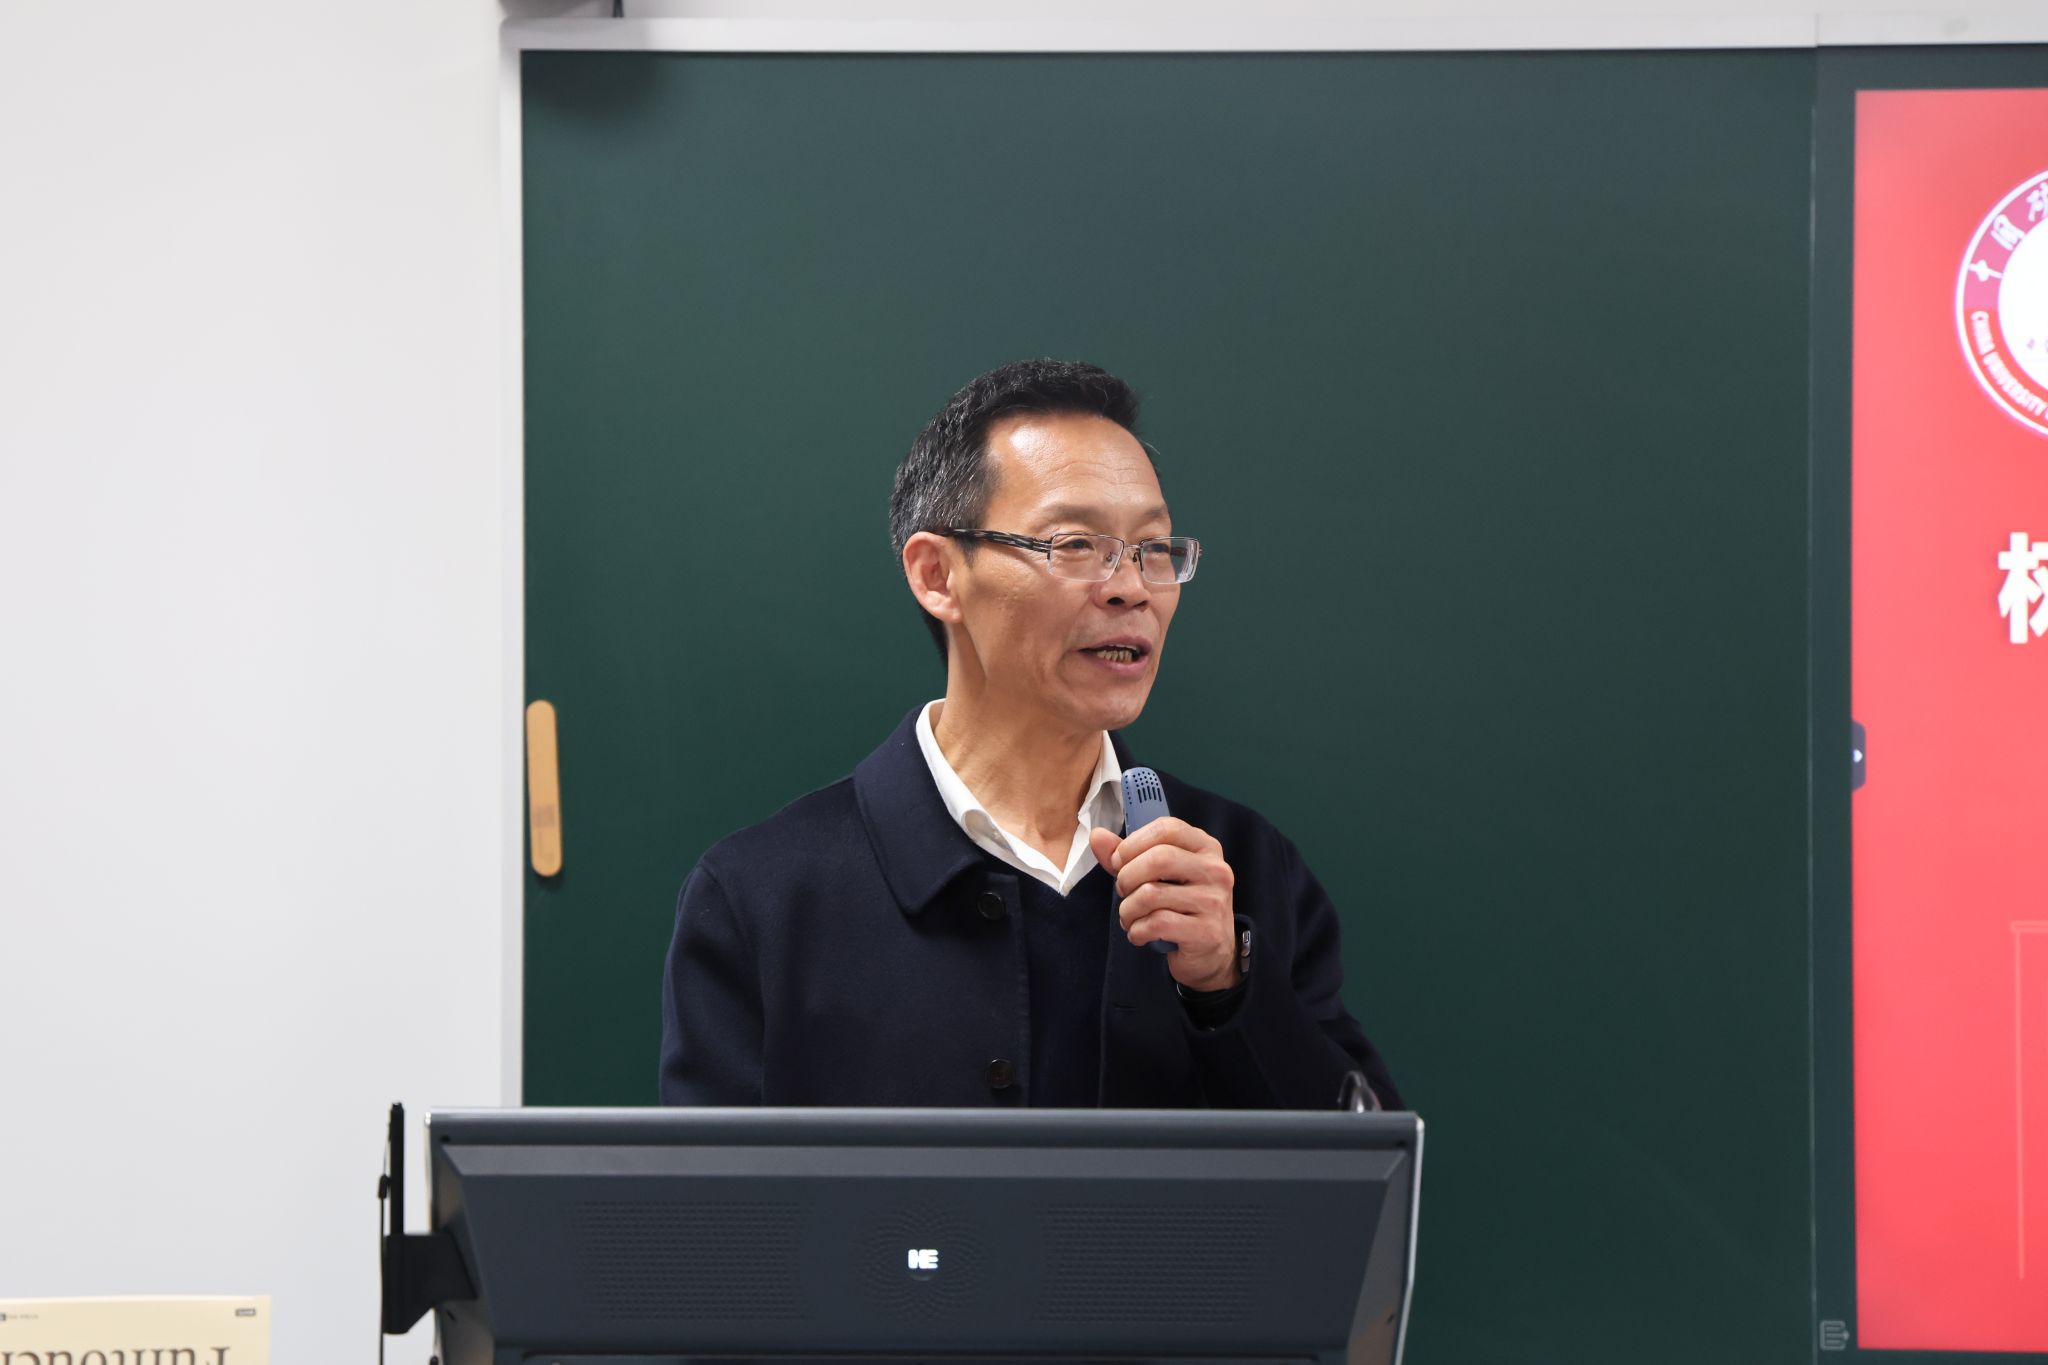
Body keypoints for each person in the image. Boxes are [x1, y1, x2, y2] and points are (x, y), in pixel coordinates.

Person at [659, 359, 1400, 1110]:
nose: (1131, 588)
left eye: (1154, 548)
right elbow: (715, 1189)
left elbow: (1368, 1161)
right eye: (1074, 545)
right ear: (938, 575)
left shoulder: (1243, 869)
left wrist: (1226, 985)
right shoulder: (762, 899)